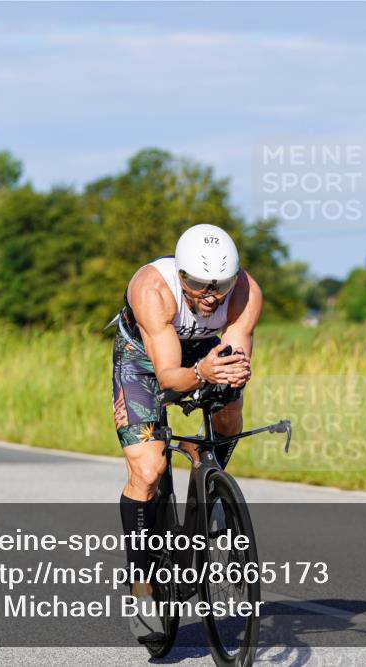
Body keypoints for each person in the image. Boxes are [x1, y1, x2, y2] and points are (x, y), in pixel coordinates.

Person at [109, 223, 262, 644]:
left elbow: (235, 355)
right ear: (180, 276)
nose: (211, 294)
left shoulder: (246, 291)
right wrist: (199, 373)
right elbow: (169, 379)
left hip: (201, 351)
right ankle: (141, 585)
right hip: (145, 358)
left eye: (221, 285)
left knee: (230, 413)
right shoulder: (152, 290)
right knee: (149, 467)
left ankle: (207, 476)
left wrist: (229, 373)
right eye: (197, 284)